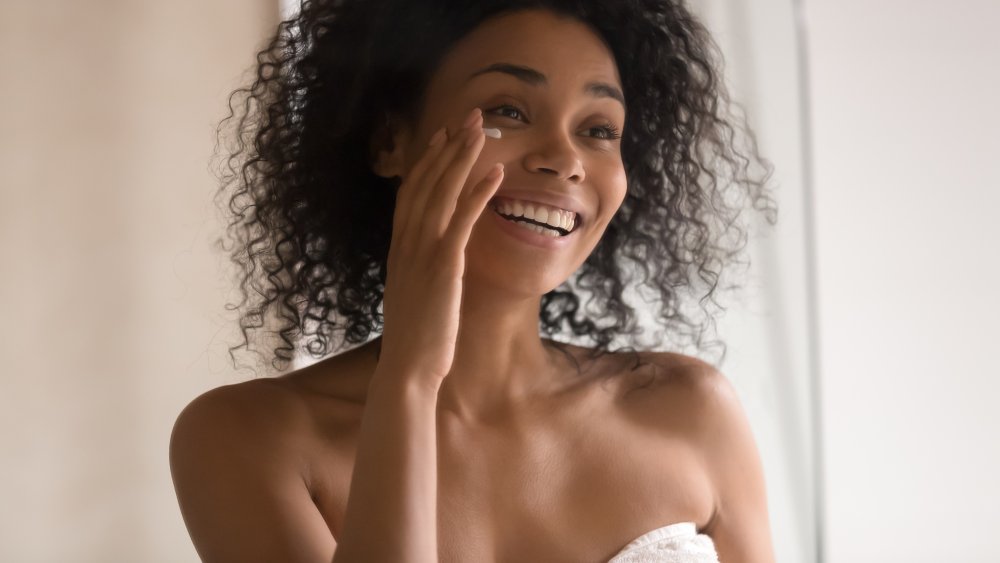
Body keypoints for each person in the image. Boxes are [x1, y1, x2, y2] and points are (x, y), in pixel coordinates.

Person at [170, 0, 779, 561]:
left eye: (598, 129)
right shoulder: (246, 439)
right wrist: (410, 377)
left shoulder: (691, 411)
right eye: (507, 112)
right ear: (391, 141)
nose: (564, 159)